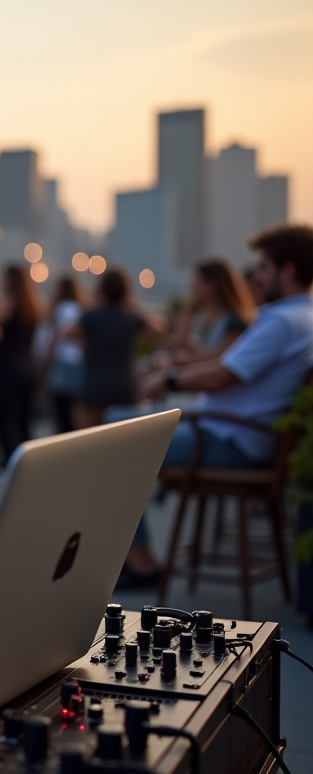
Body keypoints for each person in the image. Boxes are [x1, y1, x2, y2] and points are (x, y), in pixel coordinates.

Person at [120, 224, 313, 586]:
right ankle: (136, 558)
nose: (256, 277)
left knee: (115, 448)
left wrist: (169, 379)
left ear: (287, 271)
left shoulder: (282, 321)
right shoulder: (301, 317)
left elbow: (221, 376)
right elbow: (225, 367)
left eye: (265, 268)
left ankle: (141, 564)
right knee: (116, 426)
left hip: (232, 441)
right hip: (234, 433)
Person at [71, 267, 165, 428]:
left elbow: (68, 332)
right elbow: (157, 329)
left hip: (95, 383)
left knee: (89, 440)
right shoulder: (130, 317)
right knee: (123, 439)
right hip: (124, 383)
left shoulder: (92, 316)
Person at [0, 264, 44, 466]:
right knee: (24, 424)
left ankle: (12, 469)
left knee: (6, 424)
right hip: (28, 369)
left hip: (7, 371)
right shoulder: (32, 305)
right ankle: (29, 467)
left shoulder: (6, 303)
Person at [162, 258, 254, 367]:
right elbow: (200, 349)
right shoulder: (209, 319)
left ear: (211, 285)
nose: (191, 288)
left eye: (195, 283)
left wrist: (185, 358)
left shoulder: (236, 322)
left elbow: (221, 356)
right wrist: (187, 313)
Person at [45, 276, 87, 433]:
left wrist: (49, 353)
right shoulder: (80, 308)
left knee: (60, 409)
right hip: (78, 362)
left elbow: (59, 334)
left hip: (63, 362)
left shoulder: (62, 308)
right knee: (74, 410)